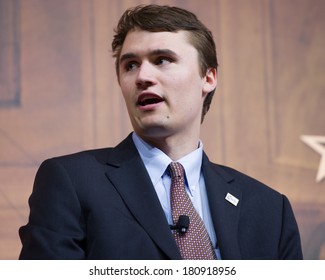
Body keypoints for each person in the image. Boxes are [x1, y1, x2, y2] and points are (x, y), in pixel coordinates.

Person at [19, 4, 303, 260]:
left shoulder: (269, 210)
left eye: (162, 60)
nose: (142, 77)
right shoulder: (71, 182)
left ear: (208, 77)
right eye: (130, 65)